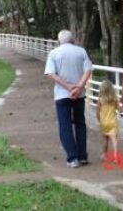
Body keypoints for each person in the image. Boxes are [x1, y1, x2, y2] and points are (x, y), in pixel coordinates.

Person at [44, 29, 93, 168]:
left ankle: (72, 158)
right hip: (79, 94)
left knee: (65, 126)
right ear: (72, 39)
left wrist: (67, 87)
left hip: (61, 95)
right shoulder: (81, 51)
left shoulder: (54, 53)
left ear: (59, 40)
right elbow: (87, 71)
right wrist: (78, 87)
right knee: (80, 124)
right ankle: (82, 155)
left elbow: (51, 74)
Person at [96, 79, 119, 162]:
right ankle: (115, 157)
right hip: (112, 122)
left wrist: (99, 120)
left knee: (105, 139)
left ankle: (104, 155)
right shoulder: (114, 99)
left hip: (104, 122)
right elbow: (118, 109)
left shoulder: (100, 100)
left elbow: (97, 112)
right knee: (114, 140)